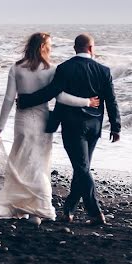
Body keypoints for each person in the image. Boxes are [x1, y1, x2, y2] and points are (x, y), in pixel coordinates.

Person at [0, 32, 99, 223]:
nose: (51, 48)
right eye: (50, 45)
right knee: (38, 163)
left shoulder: (16, 68)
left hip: (21, 121)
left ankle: (18, 204)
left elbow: (8, 99)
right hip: (42, 121)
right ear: (44, 47)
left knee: (20, 160)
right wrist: (86, 102)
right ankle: (39, 206)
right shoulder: (51, 70)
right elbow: (60, 97)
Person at [16, 33, 121, 226]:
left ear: (75, 48)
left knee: (81, 168)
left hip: (72, 126)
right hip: (95, 126)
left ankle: (95, 212)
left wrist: (25, 100)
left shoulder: (65, 68)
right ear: (91, 49)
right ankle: (69, 210)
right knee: (82, 167)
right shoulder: (104, 71)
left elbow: (52, 93)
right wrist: (116, 127)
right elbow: (111, 100)